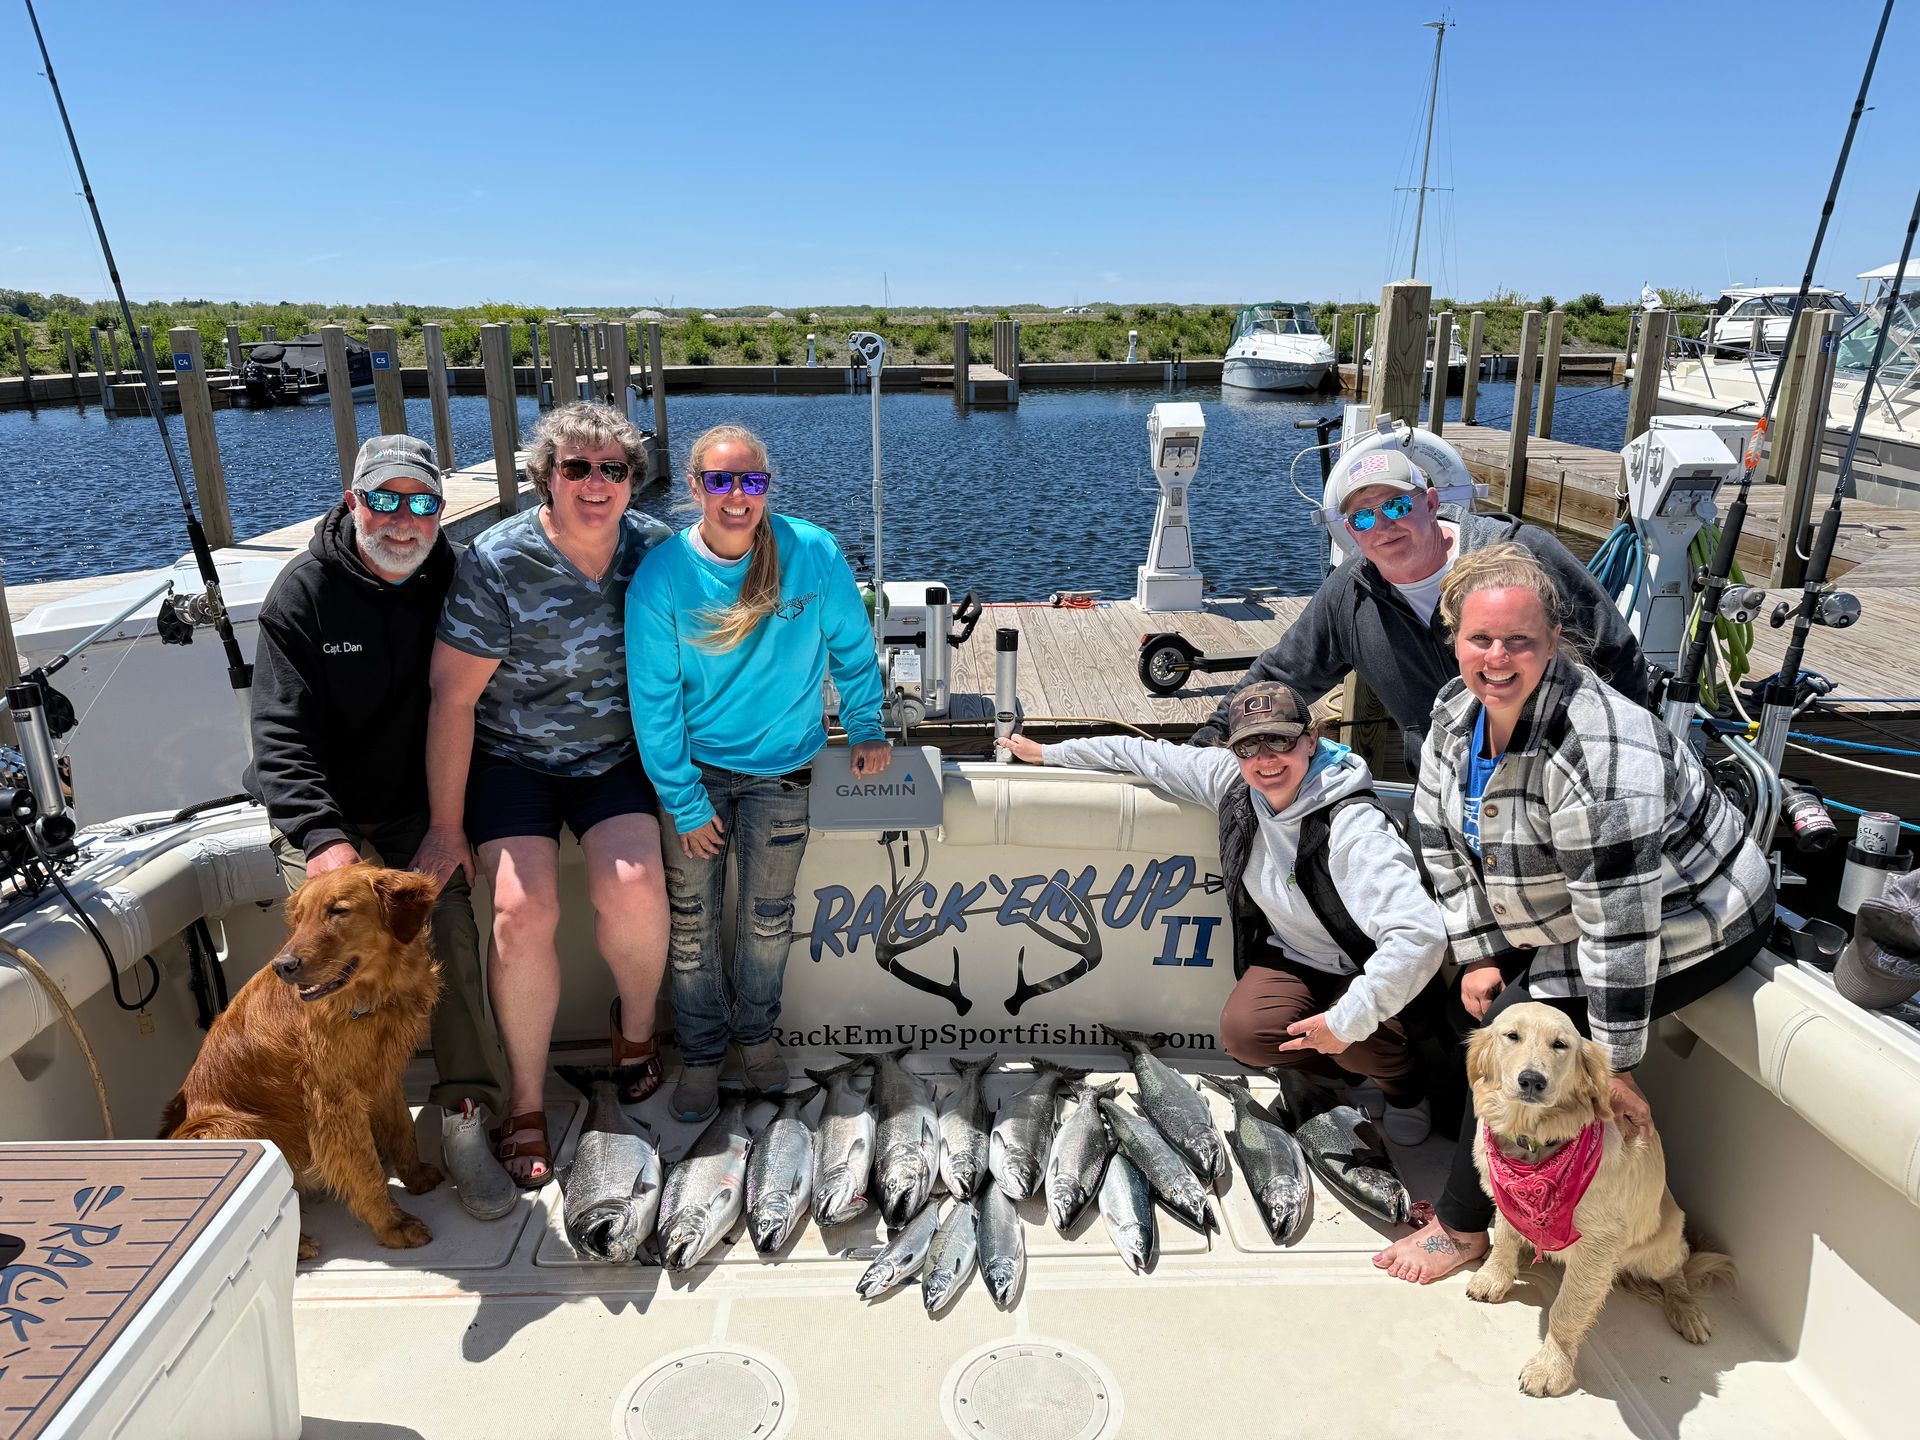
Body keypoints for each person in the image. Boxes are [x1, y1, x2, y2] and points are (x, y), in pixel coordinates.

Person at [1375, 543, 1774, 1284]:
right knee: (1462, 993)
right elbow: (1435, 835)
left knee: (1515, 1025)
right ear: (1453, 638)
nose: (1497, 658)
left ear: (1555, 643)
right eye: (1479, 639)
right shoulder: (1455, 713)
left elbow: (1621, 928)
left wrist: (1611, 1066)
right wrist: (1479, 951)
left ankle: (1464, 1226)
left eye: (1520, 641)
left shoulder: (1601, 751)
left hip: (1692, 914)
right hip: (1561, 911)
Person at [244, 433, 517, 1222]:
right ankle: (344, 1122)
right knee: (324, 961)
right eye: (385, 500)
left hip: (420, 809)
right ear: (353, 502)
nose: (403, 521)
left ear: (441, 511)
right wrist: (328, 848)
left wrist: (448, 824)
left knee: (455, 933)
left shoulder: (458, 579)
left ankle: (467, 1115)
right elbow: (280, 743)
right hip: (320, 815)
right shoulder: (302, 593)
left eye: (422, 503)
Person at [1000, 681, 1447, 1144]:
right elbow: (1140, 754)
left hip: (1367, 962)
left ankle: (1405, 1091)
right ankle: (1336, 1071)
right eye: (1247, 745)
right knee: (1245, 1036)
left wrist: (1343, 1022)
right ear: (1232, 751)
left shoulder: (1354, 824)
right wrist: (1051, 754)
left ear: (1311, 739)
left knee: (1360, 1040)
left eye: (1281, 739)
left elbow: (1420, 937)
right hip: (1299, 955)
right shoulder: (1232, 782)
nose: (1265, 758)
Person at [424, 401, 673, 1187]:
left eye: (614, 469)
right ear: (546, 478)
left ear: (634, 482)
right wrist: (444, 826)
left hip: (613, 757)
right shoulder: (496, 560)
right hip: (513, 762)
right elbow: (453, 699)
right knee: (520, 912)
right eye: (577, 468)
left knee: (634, 889)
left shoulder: (659, 553)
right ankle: (527, 1100)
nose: (596, 483)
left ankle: (633, 1036)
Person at [626, 424, 891, 1123]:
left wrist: (866, 725)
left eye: (751, 481)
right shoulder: (661, 577)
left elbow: (852, 648)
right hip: (696, 775)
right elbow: (653, 704)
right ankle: (704, 1054)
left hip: (784, 773)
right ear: (694, 488)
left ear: (768, 487)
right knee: (691, 925)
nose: (736, 496)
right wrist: (684, 802)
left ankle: (757, 1038)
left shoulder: (813, 552)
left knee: (768, 921)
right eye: (720, 481)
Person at [1190, 450, 1650, 773]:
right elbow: (1281, 673)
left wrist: (1627, 767)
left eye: (1395, 504)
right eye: (1364, 517)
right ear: (1351, 531)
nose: (1383, 525)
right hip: (1442, 795)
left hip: (1559, 775)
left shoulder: (1524, 554)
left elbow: (1618, 656)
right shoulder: (1350, 593)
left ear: (1430, 502)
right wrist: (1206, 744)